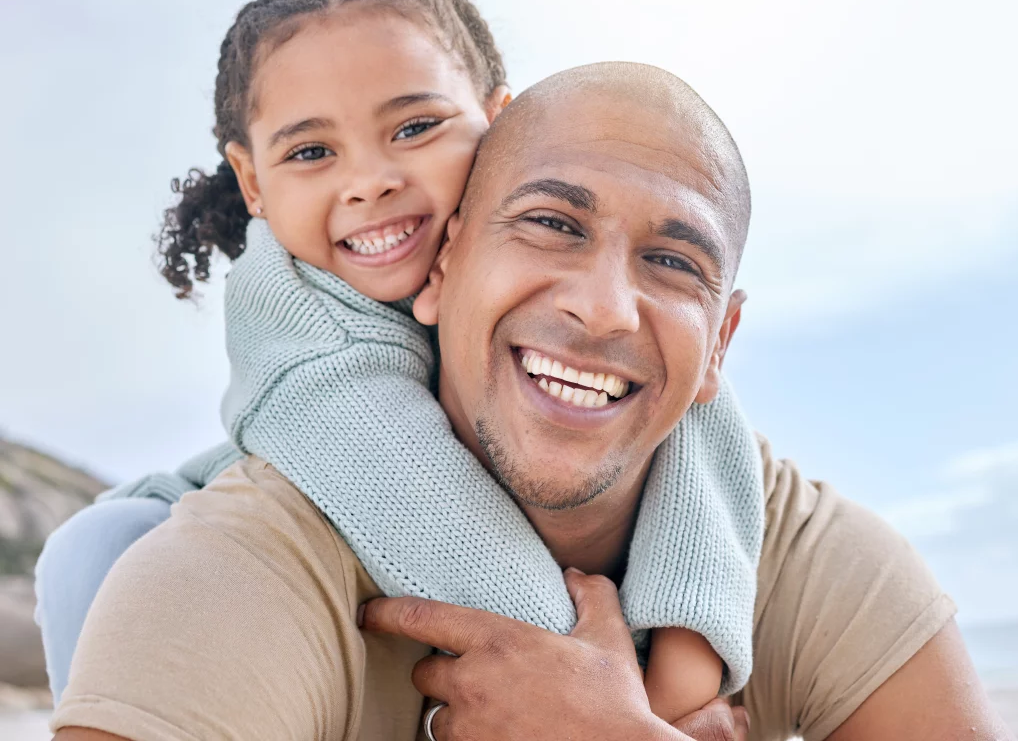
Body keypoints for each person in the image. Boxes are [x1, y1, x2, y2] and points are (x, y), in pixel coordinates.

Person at [51, 63, 1013, 741]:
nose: (603, 305)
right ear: (442, 265)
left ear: (720, 343)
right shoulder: (253, 559)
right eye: (551, 223)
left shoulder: (799, 547)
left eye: (673, 262)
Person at [35, 0, 762, 728]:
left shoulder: (564, 268)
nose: (370, 181)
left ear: (497, 123)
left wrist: (690, 666)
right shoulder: (300, 325)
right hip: (197, 534)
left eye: (415, 129)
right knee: (96, 547)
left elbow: (703, 430)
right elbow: (442, 527)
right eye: (312, 152)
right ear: (251, 183)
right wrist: (619, 708)